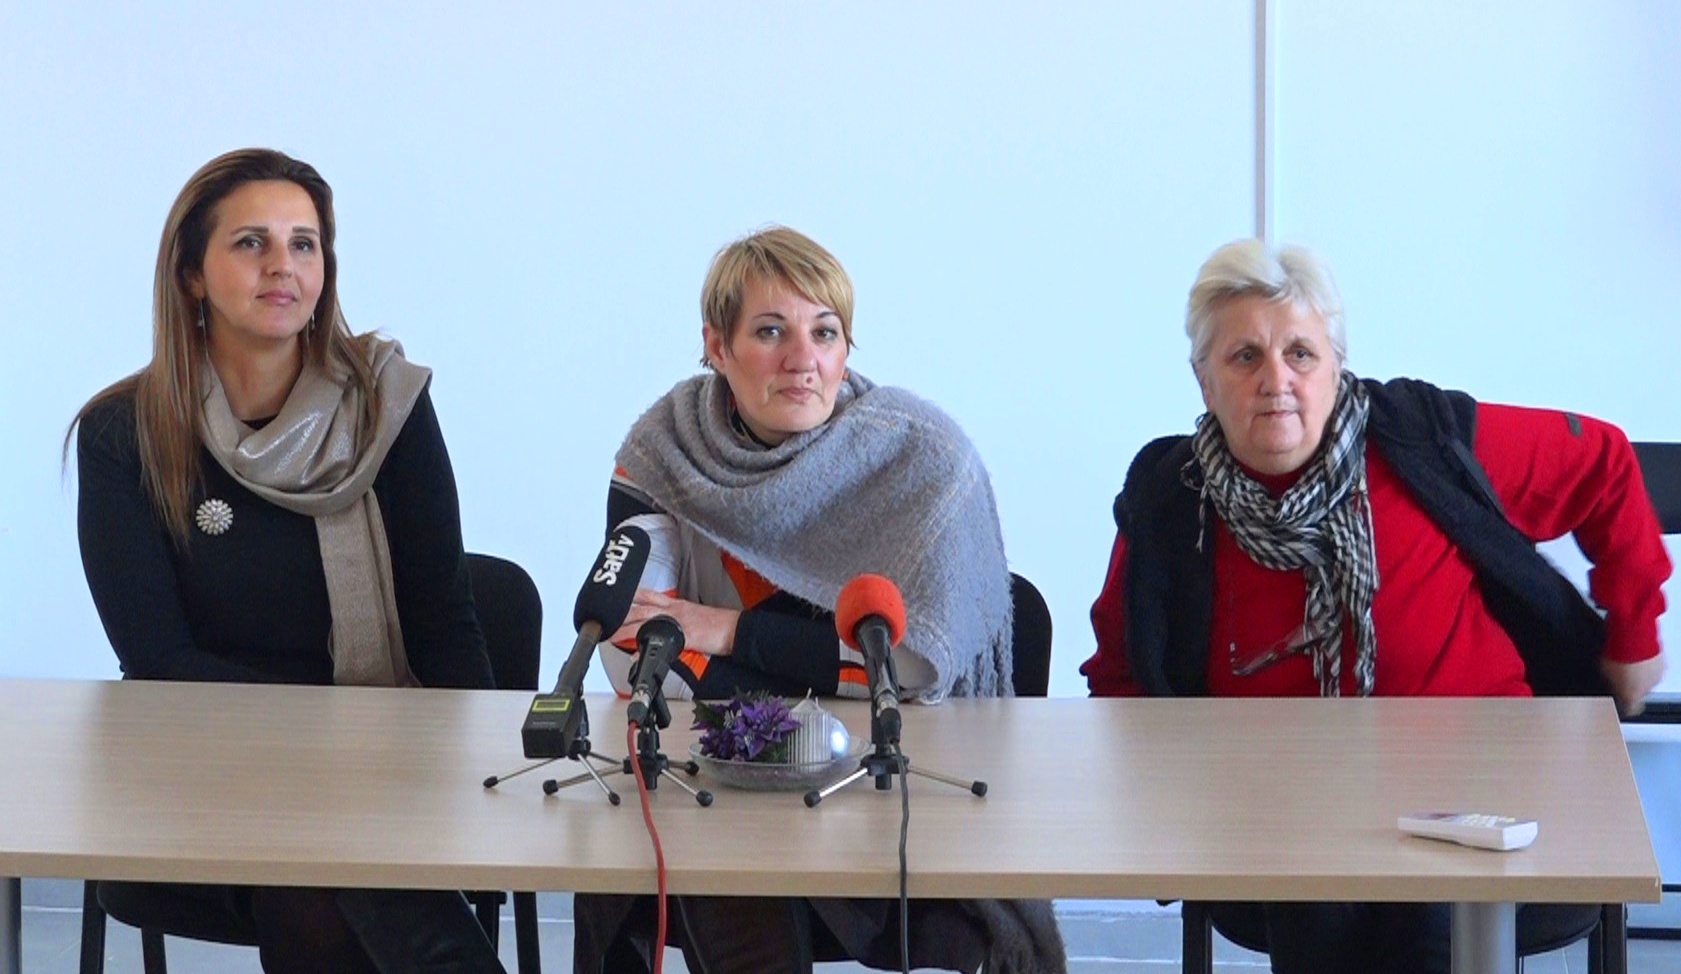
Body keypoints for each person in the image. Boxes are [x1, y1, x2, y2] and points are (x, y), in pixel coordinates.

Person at [1081, 238, 1671, 974]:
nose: (1275, 380)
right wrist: (1161, 808)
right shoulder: (1170, 500)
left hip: (1478, 786)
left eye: (1300, 353)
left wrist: (1633, 632)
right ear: (1203, 380)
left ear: (1336, 366)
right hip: (1279, 814)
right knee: (1314, 887)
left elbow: (1603, 461)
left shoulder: (1421, 438)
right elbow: (1121, 673)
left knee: (1426, 911)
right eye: (1244, 357)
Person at [572, 226, 1066, 974]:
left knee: (726, 861)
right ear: (717, 346)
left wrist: (725, 634)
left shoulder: (922, 462)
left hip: (886, 786)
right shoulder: (663, 454)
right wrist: (805, 681)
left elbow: (911, 672)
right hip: (720, 785)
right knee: (717, 853)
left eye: (825, 333)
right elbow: (634, 655)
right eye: (771, 331)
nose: (803, 360)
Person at [69, 148, 506, 974]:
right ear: (191, 275)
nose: (283, 266)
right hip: (211, 763)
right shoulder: (125, 433)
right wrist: (332, 752)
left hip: (388, 767)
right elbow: (158, 660)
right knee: (324, 868)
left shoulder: (388, 406)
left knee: (328, 870)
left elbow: (444, 620)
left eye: (303, 244)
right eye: (251, 243)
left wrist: (480, 773)